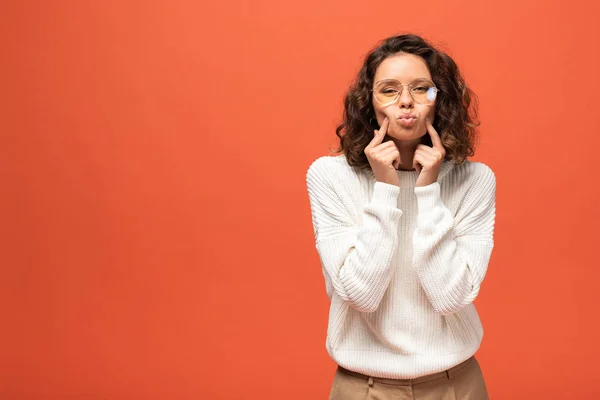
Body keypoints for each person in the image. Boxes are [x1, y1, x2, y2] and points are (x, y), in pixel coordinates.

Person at [305, 33, 496, 400]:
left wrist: (427, 192)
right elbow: (361, 293)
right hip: (364, 387)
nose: (405, 101)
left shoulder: (475, 180)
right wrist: (386, 190)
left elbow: (451, 298)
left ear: (440, 100)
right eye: (388, 90)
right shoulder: (329, 177)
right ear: (369, 103)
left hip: (456, 384)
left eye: (421, 88)